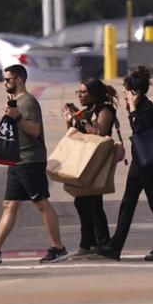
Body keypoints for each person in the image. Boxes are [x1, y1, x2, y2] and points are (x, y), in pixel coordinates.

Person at [0, 65, 69, 265]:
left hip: (30, 160)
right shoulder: (16, 102)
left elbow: (34, 130)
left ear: (19, 79)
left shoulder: (28, 102)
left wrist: (16, 116)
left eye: (8, 79)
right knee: (9, 204)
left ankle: (58, 248)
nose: (5, 83)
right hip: (16, 160)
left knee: (41, 203)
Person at [99, 66, 153, 261]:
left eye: (127, 89)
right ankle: (115, 246)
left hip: (146, 164)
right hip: (140, 163)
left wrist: (132, 107)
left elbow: (139, 129)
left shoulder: (145, 107)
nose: (124, 92)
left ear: (136, 92)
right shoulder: (142, 106)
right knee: (129, 204)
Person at [61, 78, 118, 258]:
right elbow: (73, 135)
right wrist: (70, 121)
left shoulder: (105, 110)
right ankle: (88, 243)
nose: (80, 96)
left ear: (94, 93)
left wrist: (82, 120)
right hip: (83, 161)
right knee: (81, 201)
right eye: (79, 92)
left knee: (94, 203)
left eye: (84, 92)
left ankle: (102, 243)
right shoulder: (84, 112)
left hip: (97, 162)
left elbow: (100, 133)